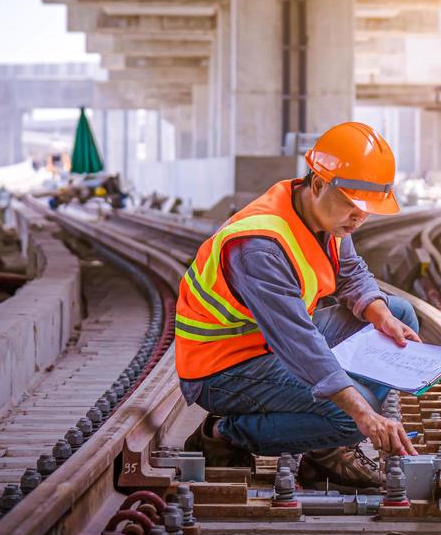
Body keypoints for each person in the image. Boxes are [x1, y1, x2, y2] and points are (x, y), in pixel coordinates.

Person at [175, 121, 421, 488]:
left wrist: (380, 314)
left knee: (398, 313)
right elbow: (299, 343)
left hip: (269, 343)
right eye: (354, 205)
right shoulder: (260, 247)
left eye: (368, 209)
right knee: (348, 417)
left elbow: (351, 273)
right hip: (221, 366)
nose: (361, 217)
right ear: (320, 184)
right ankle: (224, 434)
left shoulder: (324, 217)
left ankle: (326, 451)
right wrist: (362, 414)